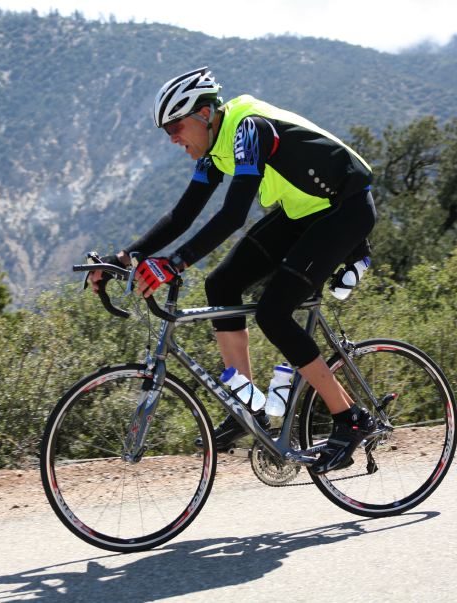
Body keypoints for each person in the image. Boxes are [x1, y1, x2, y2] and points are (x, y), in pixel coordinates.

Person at [89, 67, 377, 474]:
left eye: (176, 126)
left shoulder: (249, 131)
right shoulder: (214, 146)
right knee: (221, 283)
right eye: (166, 130)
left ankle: (350, 418)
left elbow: (232, 215)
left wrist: (174, 263)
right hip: (304, 213)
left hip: (344, 210)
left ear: (205, 113)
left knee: (273, 314)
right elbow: (182, 215)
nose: (172, 138)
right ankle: (249, 407)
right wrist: (123, 258)